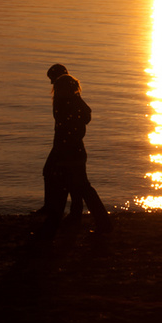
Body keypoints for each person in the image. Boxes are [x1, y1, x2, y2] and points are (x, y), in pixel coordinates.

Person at [37, 64, 112, 237]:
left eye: (53, 83)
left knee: (73, 185)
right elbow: (85, 117)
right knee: (76, 185)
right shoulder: (74, 100)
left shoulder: (65, 102)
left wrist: (62, 146)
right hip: (74, 149)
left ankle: (67, 219)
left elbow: (66, 126)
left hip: (67, 150)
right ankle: (80, 218)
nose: (52, 86)